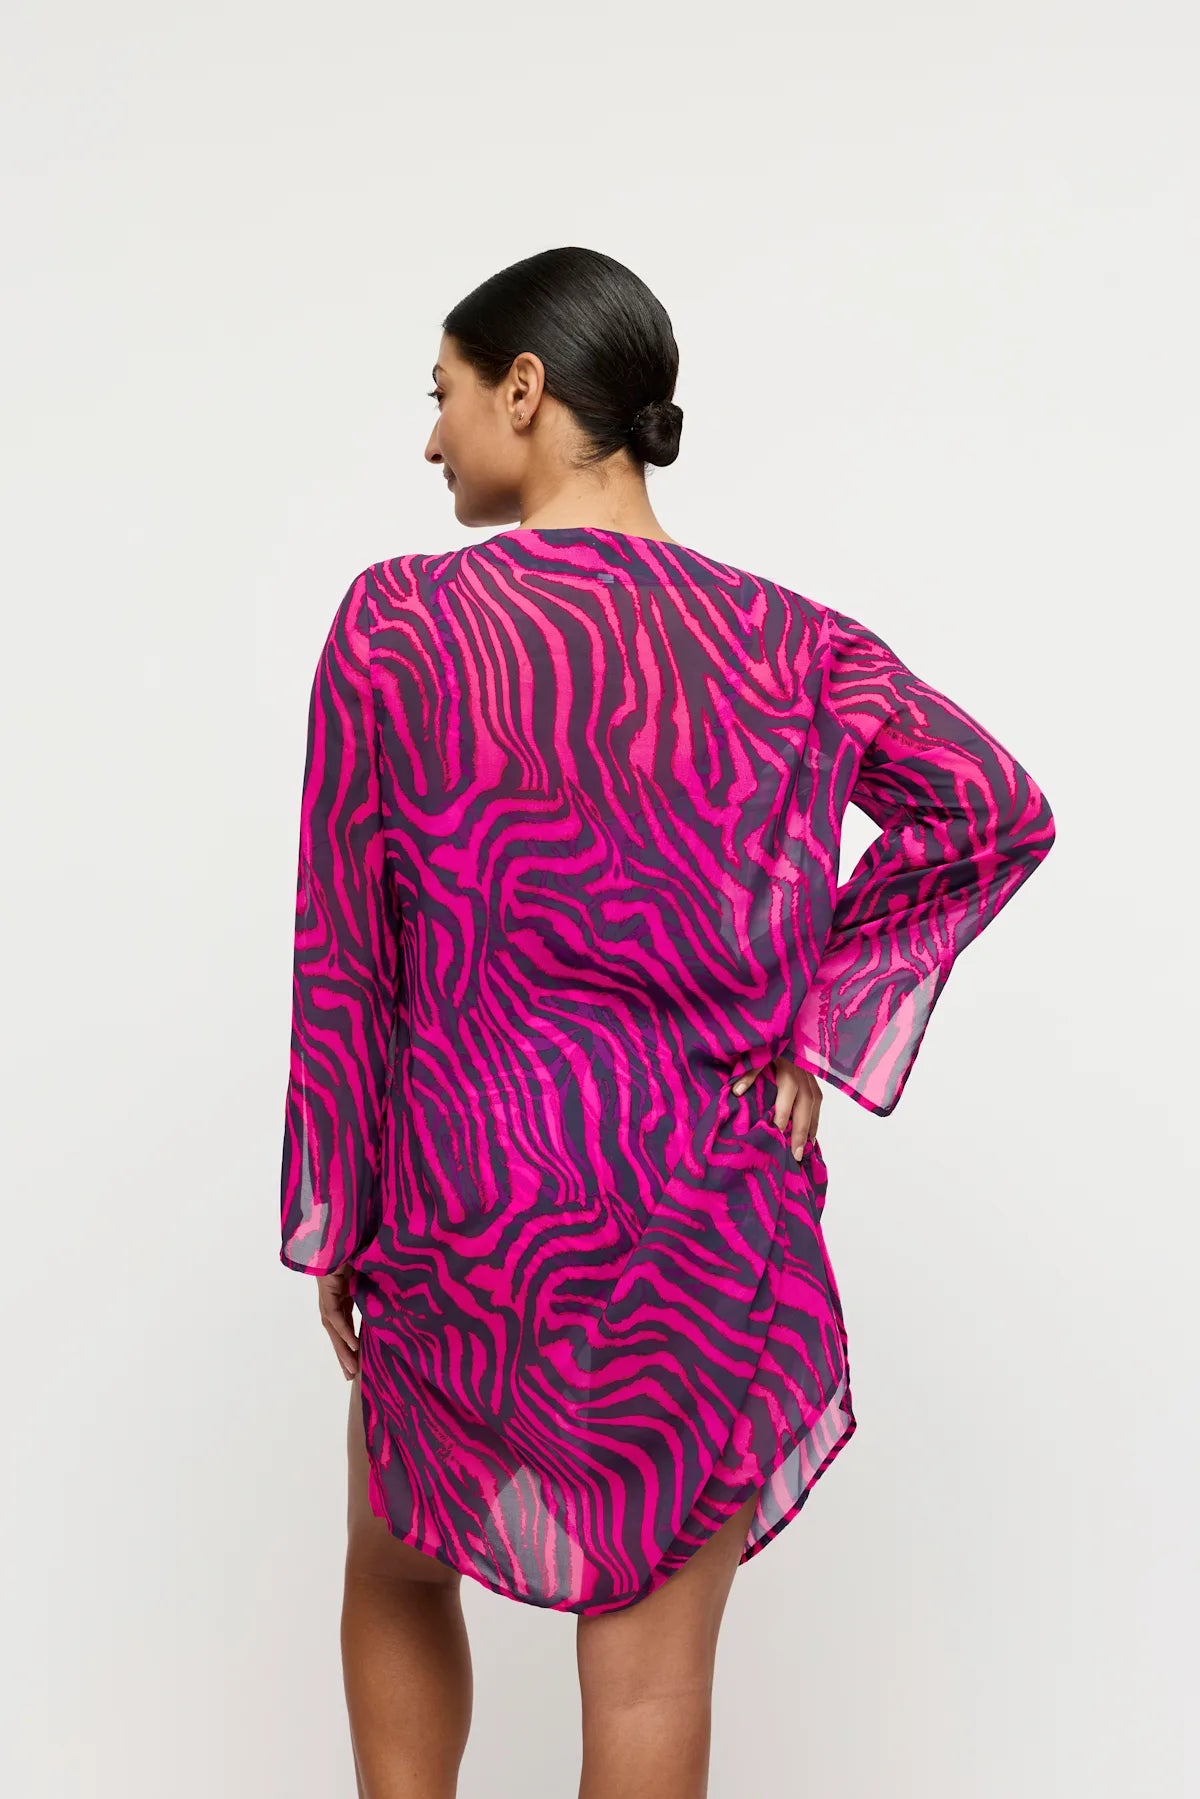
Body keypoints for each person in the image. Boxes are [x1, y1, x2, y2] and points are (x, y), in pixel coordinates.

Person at [278, 246, 1056, 1799]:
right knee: (649, 1692)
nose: (430, 439)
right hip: (700, 1221)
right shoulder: (793, 644)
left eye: (442, 395)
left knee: (395, 1571)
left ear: (524, 389)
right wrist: (824, 1019)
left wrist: (341, 1210)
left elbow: (346, 952)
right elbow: (993, 808)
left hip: (467, 1212)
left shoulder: (396, 624)